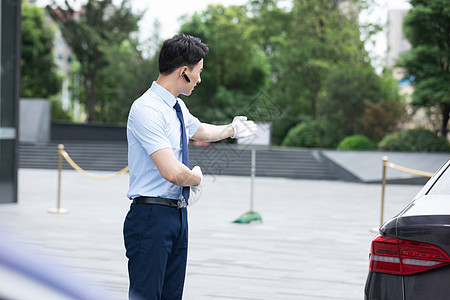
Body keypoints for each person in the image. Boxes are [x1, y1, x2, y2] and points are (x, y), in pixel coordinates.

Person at [123, 34, 258, 300]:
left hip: (176, 216)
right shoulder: (146, 109)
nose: (199, 79)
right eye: (198, 72)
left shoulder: (177, 107)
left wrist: (232, 129)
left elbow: (200, 130)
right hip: (151, 216)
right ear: (184, 72)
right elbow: (172, 172)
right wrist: (196, 179)